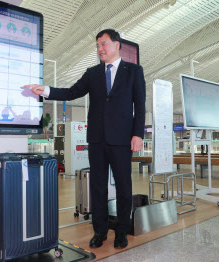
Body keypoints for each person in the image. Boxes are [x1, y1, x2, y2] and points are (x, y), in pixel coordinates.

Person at [24, 29, 146, 249]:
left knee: (124, 187)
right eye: (97, 46)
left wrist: (138, 134)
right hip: (97, 139)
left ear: (117, 45)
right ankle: (99, 231)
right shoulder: (93, 73)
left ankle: (121, 231)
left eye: (104, 44)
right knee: (97, 187)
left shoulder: (134, 71)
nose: (100, 49)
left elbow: (140, 105)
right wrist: (46, 90)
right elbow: (72, 92)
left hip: (121, 139)